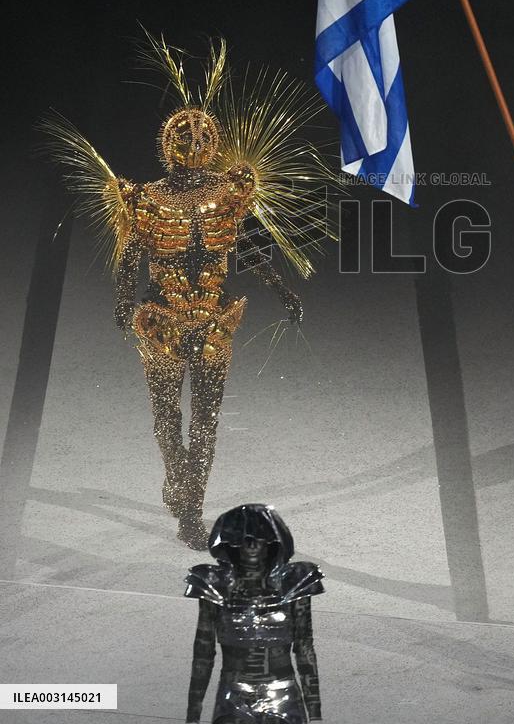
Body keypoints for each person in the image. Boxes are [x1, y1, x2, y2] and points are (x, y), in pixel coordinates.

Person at [40, 34, 335, 550]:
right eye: (186, 144)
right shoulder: (146, 200)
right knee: (167, 415)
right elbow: (133, 254)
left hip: (216, 319)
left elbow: (246, 250)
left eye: (202, 144)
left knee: (205, 417)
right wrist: (125, 298)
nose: (195, 152)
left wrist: (280, 288)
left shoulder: (229, 194)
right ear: (168, 149)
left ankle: (189, 505)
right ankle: (179, 482)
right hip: (161, 319)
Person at [184, 504, 324, 723]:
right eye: (243, 540)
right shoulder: (214, 584)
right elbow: (203, 652)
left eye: (258, 540)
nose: (250, 547)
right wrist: (193, 714)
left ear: (272, 544)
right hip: (233, 696)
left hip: (283, 695)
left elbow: (304, 647)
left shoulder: (294, 583)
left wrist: (315, 713)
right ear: (231, 545)